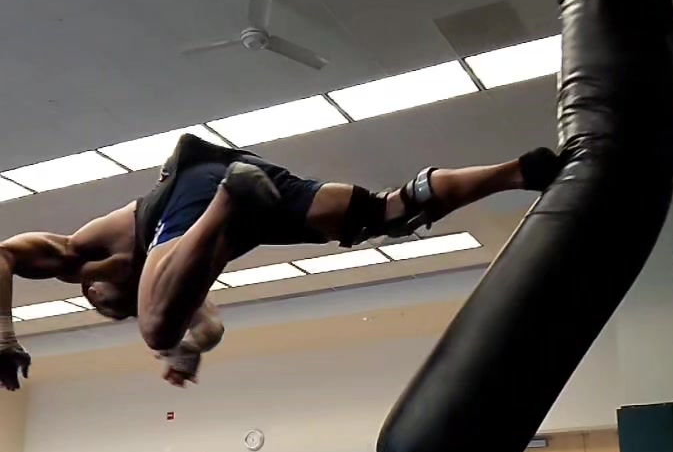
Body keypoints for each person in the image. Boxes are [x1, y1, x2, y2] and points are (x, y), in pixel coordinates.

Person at [0, 132, 561, 390]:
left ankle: (232, 197)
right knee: (385, 213)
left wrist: (5, 334)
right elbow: (211, 327)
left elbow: (3, 253)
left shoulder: (77, 254)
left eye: (103, 304)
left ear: (91, 288)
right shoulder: (180, 282)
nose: (107, 304)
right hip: (258, 195)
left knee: (156, 326)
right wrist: (190, 352)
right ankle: (519, 172)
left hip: (200, 187)